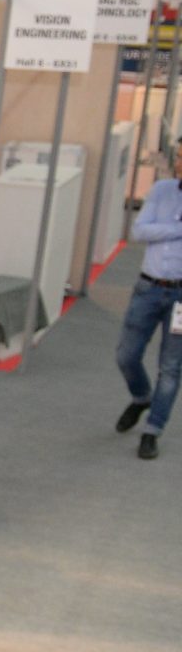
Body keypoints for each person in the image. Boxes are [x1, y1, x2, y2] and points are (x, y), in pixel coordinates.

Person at [115, 143, 182, 461]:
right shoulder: (161, 190)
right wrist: (177, 229)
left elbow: (150, 230)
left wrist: (162, 231)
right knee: (126, 355)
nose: (178, 163)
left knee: (170, 367)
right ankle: (141, 397)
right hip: (148, 287)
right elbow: (139, 231)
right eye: (178, 156)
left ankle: (152, 431)